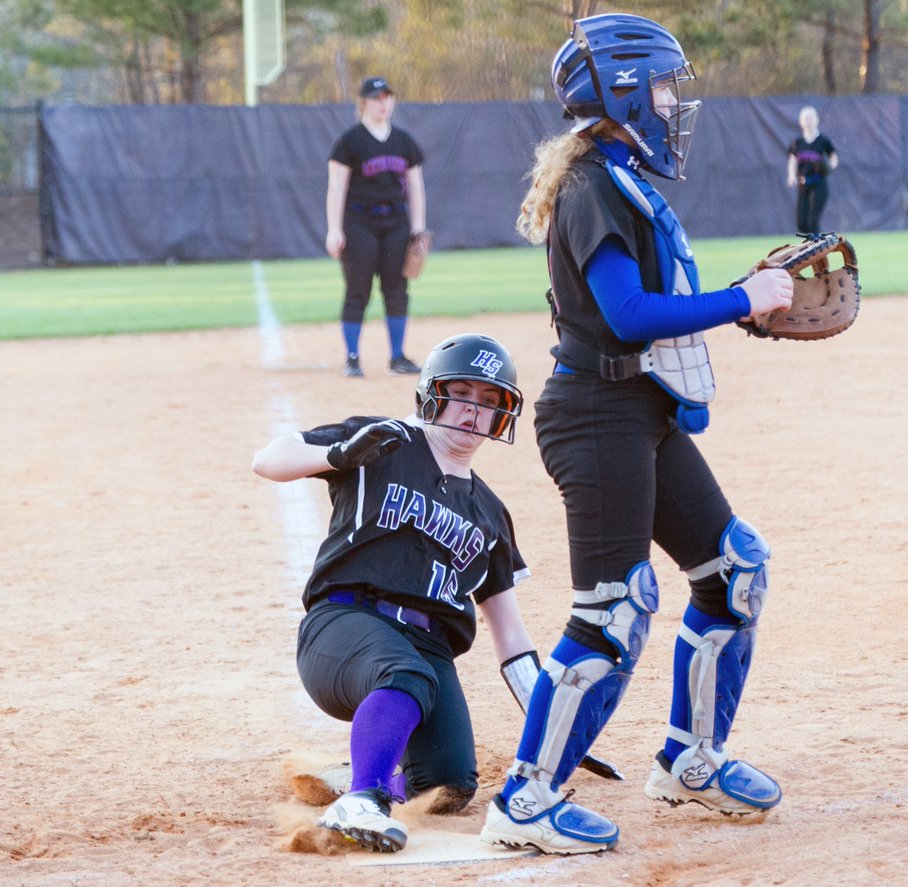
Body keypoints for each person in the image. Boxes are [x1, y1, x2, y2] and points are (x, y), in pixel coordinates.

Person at [478, 14, 795, 856]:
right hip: (595, 415)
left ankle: (691, 759)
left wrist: (736, 304)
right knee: (612, 610)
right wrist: (743, 299)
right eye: (659, 86)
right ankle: (526, 797)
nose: (671, 102)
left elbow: (652, 308)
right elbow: (625, 314)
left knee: (733, 569)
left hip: (638, 409)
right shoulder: (593, 185)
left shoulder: (615, 174)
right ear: (619, 93)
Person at [253, 333, 542, 854]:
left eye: (488, 400)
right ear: (433, 394)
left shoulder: (490, 513)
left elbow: (511, 635)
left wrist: (550, 721)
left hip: (429, 648)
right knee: (405, 673)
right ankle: (362, 799)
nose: (473, 410)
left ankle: (362, 771)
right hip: (345, 624)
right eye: (461, 393)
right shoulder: (383, 442)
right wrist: (337, 455)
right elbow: (269, 459)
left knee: (447, 786)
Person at [325, 76, 428, 377]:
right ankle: (352, 358)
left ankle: (397, 357)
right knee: (358, 290)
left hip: (396, 222)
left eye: (387, 97)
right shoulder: (350, 141)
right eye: (376, 98)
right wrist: (334, 229)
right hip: (359, 222)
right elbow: (336, 188)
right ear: (363, 103)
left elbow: (416, 186)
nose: (383, 103)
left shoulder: (404, 141)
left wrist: (418, 227)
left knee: (397, 290)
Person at [786, 105, 838, 235]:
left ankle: (815, 245)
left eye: (811, 118)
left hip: (819, 183)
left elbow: (833, 156)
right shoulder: (798, 142)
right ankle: (811, 241)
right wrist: (791, 176)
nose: (808, 121)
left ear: (817, 120)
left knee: (813, 221)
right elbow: (792, 160)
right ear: (801, 121)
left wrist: (830, 166)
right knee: (801, 223)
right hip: (803, 184)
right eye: (806, 118)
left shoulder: (822, 140)